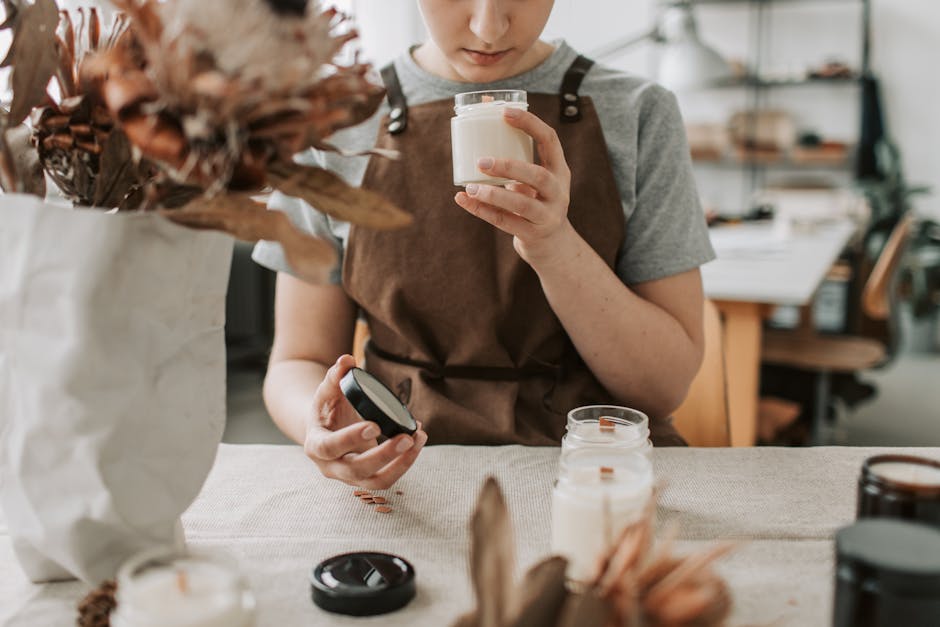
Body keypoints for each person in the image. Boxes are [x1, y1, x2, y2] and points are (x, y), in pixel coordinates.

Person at [252, 0, 715, 489]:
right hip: (407, 472)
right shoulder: (331, 126)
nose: (488, 28)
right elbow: (298, 361)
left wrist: (555, 246)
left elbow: (662, 388)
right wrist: (319, 424)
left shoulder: (639, 112)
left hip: (594, 470)